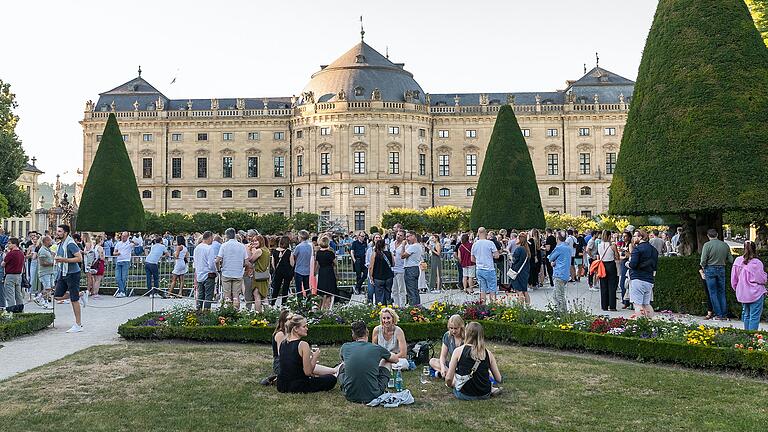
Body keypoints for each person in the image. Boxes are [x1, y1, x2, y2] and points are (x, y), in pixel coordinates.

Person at [339, 320, 399, 403]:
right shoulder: (376, 348)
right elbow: (395, 359)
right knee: (387, 361)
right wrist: (386, 356)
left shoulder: (345, 347)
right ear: (367, 332)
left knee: (342, 366)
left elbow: (344, 362)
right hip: (373, 394)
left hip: (350, 394)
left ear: (353, 335)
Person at [277, 314, 338, 393]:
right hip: (297, 386)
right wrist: (315, 357)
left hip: (282, 385)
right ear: (295, 329)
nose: (307, 329)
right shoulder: (303, 344)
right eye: (304, 326)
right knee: (331, 378)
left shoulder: (283, 343)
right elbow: (308, 372)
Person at [445, 322, 502, 400]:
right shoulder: (488, 353)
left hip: (465, 394)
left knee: (455, 376)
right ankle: (492, 389)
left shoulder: (458, 351)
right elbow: (498, 378)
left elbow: (448, 378)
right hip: (484, 394)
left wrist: (449, 385)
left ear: (466, 333)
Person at [52, 225, 84, 332]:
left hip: (73, 274)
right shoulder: (61, 243)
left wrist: (63, 260)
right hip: (63, 272)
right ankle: (80, 294)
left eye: (59, 231)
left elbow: (79, 258)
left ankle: (78, 325)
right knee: (57, 296)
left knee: (74, 300)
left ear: (65, 233)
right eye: (57, 231)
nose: (57, 233)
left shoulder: (70, 244)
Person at [731, 241, 766, 330]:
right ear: (755, 249)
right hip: (756, 293)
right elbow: (761, 279)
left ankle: (746, 336)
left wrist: (739, 289)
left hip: (743, 293)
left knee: (746, 315)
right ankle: (752, 338)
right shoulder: (757, 263)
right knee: (754, 317)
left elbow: (733, 280)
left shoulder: (737, 261)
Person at [700, 228, 734, 320]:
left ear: (708, 236)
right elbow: (731, 260)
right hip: (721, 269)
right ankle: (724, 314)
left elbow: (703, 260)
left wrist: (703, 267)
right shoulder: (725, 245)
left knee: (713, 293)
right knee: (722, 292)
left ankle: (719, 315)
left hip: (710, 269)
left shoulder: (707, 245)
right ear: (717, 235)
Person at [628, 229, 659, 319]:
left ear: (640, 237)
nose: (633, 238)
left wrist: (628, 264)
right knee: (646, 304)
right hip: (649, 280)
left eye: (635, 236)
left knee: (638, 305)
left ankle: (641, 325)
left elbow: (633, 264)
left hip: (637, 279)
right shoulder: (654, 250)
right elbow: (655, 267)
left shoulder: (637, 249)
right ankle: (650, 323)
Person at [217, 228, 248, 310]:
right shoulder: (242, 246)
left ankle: (228, 312)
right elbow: (246, 261)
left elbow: (218, 260)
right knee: (236, 295)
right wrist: (241, 266)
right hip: (238, 273)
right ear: (234, 235)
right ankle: (236, 311)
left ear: (226, 235)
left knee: (227, 295)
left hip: (226, 272)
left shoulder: (224, 245)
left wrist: (218, 269)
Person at [262, 309, 291, 386]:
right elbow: (281, 354)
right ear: (285, 321)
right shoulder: (280, 334)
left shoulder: (289, 332)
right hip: (280, 363)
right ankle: (276, 379)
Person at [471, 227, 500, 303]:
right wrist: (491, 256)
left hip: (479, 269)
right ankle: (493, 306)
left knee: (482, 289)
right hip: (489, 268)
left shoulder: (474, 244)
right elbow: (497, 255)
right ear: (485, 233)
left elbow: (472, 259)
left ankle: (483, 307)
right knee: (492, 289)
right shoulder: (490, 243)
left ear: (478, 233)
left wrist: (479, 261)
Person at [547, 232, 571, 312]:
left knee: (559, 296)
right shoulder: (568, 247)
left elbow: (550, 258)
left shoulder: (559, 248)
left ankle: (563, 313)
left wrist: (553, 262)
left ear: (557, 238)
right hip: (565, 274)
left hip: (559, 274)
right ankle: (558, 311)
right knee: (555, 295)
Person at [247, 235, 271, 312]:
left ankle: (258, 314)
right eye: (253, 241)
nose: (254, 242)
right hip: (265, 275)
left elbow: (251, 260)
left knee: (256, 295)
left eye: (256, 241)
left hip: (258, 275)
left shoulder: (259, 251)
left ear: (261, 241)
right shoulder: (267, 250)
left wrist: (250, 249)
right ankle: (268, 313)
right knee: (264, 295)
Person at [193, 231, 216, 311]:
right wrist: (215, 271)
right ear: (209, 238)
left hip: (199, 274)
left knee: (200, 295)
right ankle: (206, 312)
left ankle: (198, 310)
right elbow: (211, 263)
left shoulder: (197, 248)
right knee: (208, 295)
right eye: (212, 238)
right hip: (208, 274)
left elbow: (195, 262)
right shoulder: (209, 248)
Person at [597, 230, 620, 311]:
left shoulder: (599, 245)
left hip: (602, 265)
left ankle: (604, 306)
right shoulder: (612, 245)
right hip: (611, 264)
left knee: (603, 286)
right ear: (609, 236)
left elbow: (598, 256)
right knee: (612, 286)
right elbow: (617, 257)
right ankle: (612, 306)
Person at [369, 238, 394, 305]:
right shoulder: (389, 253)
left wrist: (371, 276)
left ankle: (380, 309)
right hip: (389, 276)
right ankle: (389, 307)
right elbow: (393, 264)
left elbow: (371, 267)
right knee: (388, 293)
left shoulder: (374, 254)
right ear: (384, 246)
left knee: (379, 295)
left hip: (378, 277)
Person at [400, 231, 423, 305]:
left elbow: (402, 256)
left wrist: (403, 246)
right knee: (415, 290)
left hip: (410, 269)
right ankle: (417, 306)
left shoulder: (413, 246)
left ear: (413, 236)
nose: (407, 239)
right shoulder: (418, 246)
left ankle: (413, 308)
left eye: (408, 236)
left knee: (411, 291)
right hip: (415, 268)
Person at [315, 236, 338, 310]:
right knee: (329, 292)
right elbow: (336, 263)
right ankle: (327, 309)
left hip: (321, 271)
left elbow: (317, 264)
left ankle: (319, 308)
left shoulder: (318, 253)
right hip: (329, 271)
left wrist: (314, 272)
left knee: (321, 292)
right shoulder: (330, 253)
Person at [270, 235, 294, 305]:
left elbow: (273, 263)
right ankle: (283, 303)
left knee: (276, 288)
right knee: (285, 288)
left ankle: (273, 302)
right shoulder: (289, 252)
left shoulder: (274, 251)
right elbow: (292, 263)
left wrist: (276, 269)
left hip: (278, 272)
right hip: (287, 272)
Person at [2, 238, 25, 308]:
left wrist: (6, 254)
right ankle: (20, 311)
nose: (8, 245)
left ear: (14, 244)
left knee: (10, 295)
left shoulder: (10, 254)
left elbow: (2, 264)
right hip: (18, 275)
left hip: (10, 276)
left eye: (9, 243)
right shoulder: (21, 253)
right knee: (18, 295)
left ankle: (11, 311)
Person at [509, 231, 531, 304]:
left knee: (519, 291)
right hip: (525, 272)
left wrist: (509, 255)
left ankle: (520, 308)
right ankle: (528, 307)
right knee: (525, 291)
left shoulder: (519, 249)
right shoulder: (526, 249)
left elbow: (514, 260)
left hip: (517, 273)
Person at [35, 235, 56, 308]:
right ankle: (45, 302)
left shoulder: (47, 249)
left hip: (49, 272)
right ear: (46, 241)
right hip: (44, 272)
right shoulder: (42, 250)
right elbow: (42, 263)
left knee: (49, 288)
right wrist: (53, 263)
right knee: (47, 288)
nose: (51, 242)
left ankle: (39, 297)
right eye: (50, 240)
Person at [291, 230, 313, 297]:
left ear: (300, 237)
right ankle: (308, 302)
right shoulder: (310, 246)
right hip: (307, 269)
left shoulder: (298, 247)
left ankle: (300, 303)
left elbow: (294, 256)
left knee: (299, 289)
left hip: (299, 270)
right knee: (307, 287)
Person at [389, 230, 406, 306]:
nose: (398, 236)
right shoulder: (392, 243)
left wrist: (403, 246)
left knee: (401, 289)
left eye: (401, 235)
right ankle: (396, 305)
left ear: (404, 237)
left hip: (401, 269)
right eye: (398, 234)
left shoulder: (405, 245)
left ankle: (402, 306)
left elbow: (403, 255)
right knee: (394, 289)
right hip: (393, 269)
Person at [112, 231, 132, 298]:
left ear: (127, 237)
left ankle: (122, 292)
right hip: (119, 261)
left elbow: (137, 244)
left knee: (123, 278)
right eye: (122, 236)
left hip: (126, 261)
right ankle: (122, 291)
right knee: (117, 277)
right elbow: (114, 253)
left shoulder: (129, 243)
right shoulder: (118, 243)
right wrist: (117, 253)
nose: (123, 237)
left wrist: (132, 241)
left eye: (124, 236)